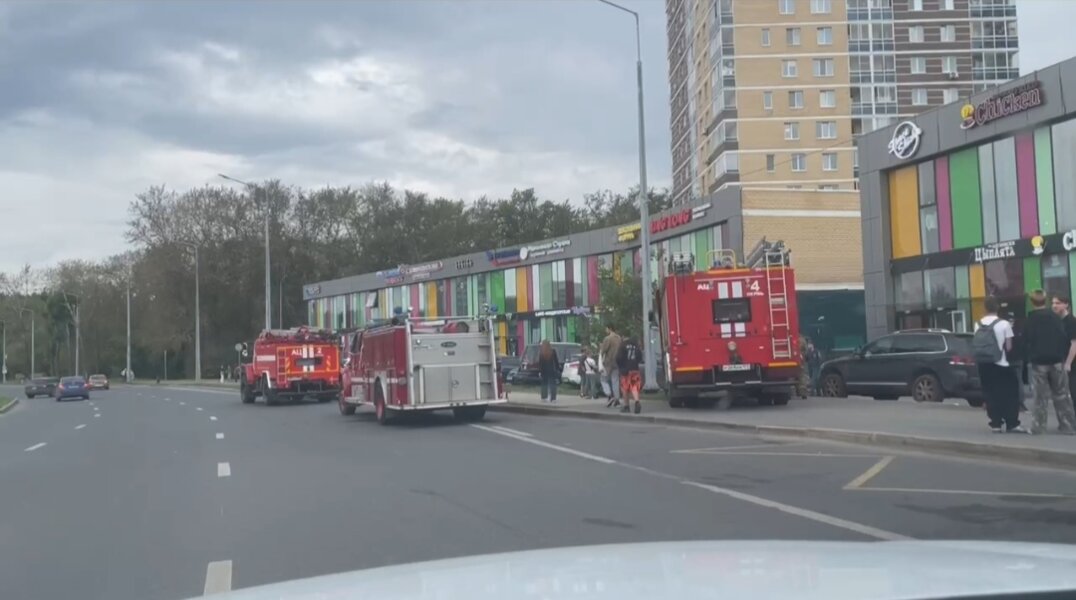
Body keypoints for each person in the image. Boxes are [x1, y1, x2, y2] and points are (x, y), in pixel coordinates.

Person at [1022, 289, 1076, 435]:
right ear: (1045, 301)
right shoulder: (1055, 318)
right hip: (1057, 360)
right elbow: (1063, 337)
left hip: (1039, 361)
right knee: (1062, 395)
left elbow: (1026, 340)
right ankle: (1068, 425)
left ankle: (1039, 427)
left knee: (1040, 396)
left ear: (1032, 302)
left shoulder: (1030, 319)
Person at [972, 297, 1025, 433]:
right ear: (997, 308)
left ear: (985, 307)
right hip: (1001, 364)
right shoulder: (1004, 324)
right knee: (1009, 393)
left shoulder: (978, 324)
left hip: (984, 363)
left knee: (990, 393)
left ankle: (995, 423)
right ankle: (1011, 422)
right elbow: (1008, 347)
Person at [1051, 294, 1076, 416]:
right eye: (1053, 303)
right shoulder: (1056, 321)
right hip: (1060, 361)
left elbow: (1074, 343)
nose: (1054, 305)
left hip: (1071, 363)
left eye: (1058, 303)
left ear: (1066, 304)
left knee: (1073, 391)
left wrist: (1068, 363)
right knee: (1064, 393)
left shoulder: (1071, 321)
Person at [616, 334, 643, 414]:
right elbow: (639, 357)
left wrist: (620, 366)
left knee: (624, 388)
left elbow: (618, 358)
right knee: (634, 386)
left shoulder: (622, 345)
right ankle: (637, 401)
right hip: (635, 368)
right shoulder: (636, 346)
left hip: (625, 369)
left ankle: (626, 406)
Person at [599, 324, 623, 408]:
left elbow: (603, 351)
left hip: (608, 362)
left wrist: (601, 359)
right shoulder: (619, 338)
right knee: (615, 381)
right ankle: (617, 399)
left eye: (606, 328)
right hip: (617, 362)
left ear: (609, 329)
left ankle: (609, 395)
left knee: (603, 379)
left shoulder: (607, 339)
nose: (606, 330)